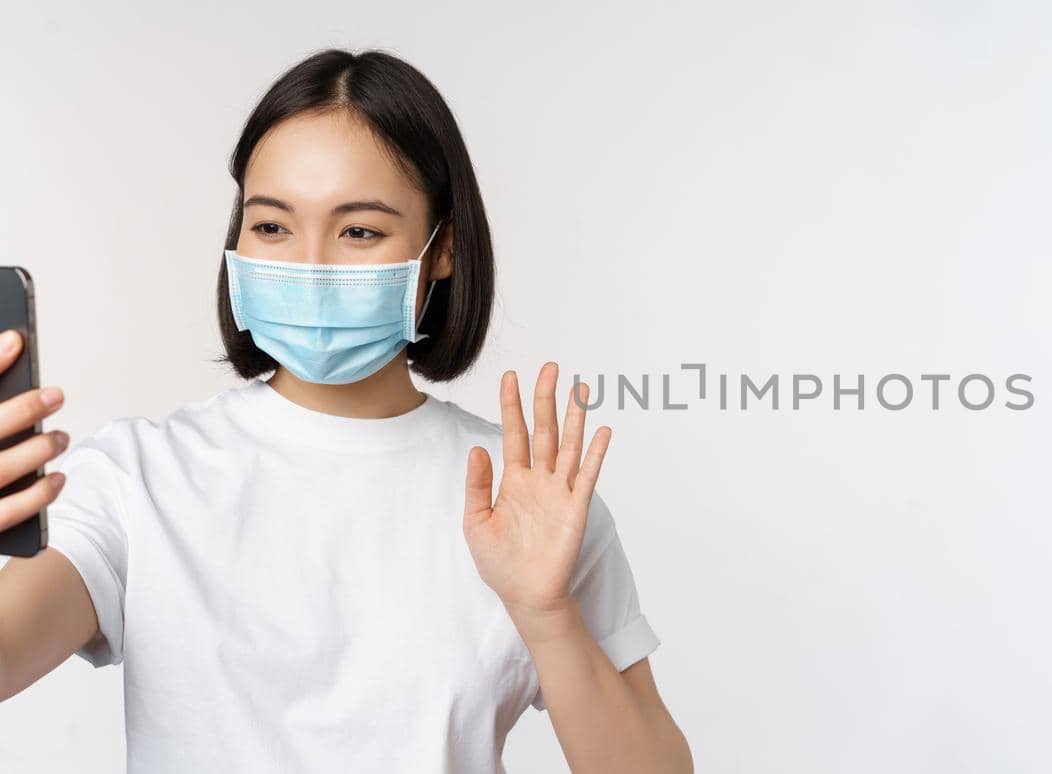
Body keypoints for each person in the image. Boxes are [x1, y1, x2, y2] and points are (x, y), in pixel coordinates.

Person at [0, 48, 692, 773]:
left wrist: (548, 617)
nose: (310, 265)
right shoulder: (136, 479)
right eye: (272, 227)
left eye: (359, 230)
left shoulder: (523, 502)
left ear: (442, 250)